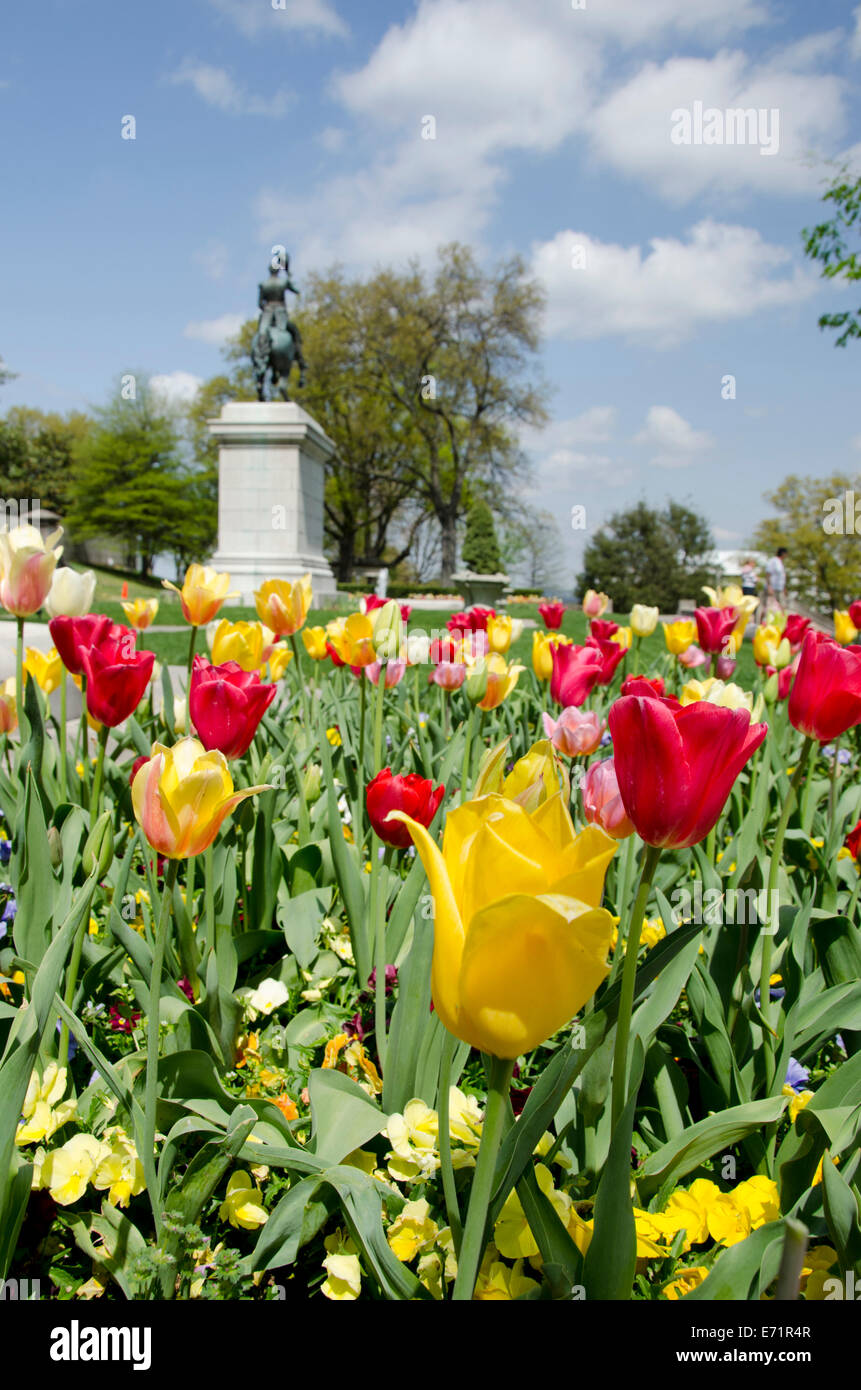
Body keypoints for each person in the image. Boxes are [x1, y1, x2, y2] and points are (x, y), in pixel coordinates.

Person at [764, 547, 787, 614]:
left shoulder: (780, 562)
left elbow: (782, 577)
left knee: (781, 607)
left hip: (779, 588)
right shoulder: (773, 561)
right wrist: (769, 586)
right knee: (769, 607)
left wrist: (784, 588)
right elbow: (768, 574)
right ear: (783, 553)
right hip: (773, 588)